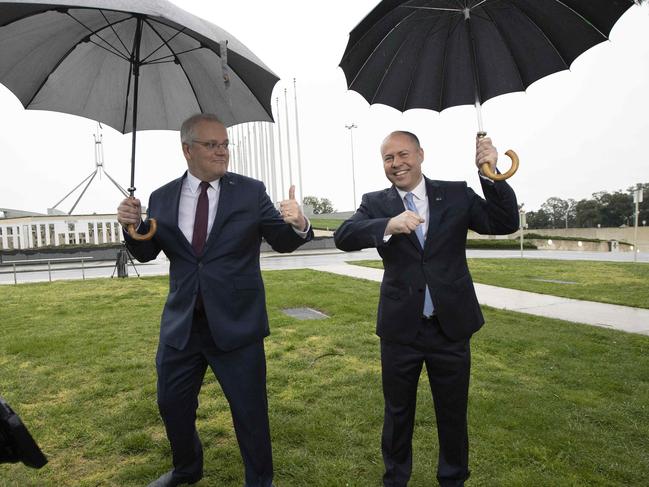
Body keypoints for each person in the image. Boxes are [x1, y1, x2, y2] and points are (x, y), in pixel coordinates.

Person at [117, 113, 313, 487]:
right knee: (171, 404)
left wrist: (298, 223)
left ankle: (260, 480)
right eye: (212, 145)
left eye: (224, 144)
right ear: (187, 149)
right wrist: (132, 227)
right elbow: (146, 253)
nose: (222, 152)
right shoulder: (162, 197)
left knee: (250, 411)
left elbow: (283, 241)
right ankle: (187, 469)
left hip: (237, 324)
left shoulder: (250, 191)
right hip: (183, 324)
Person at [334, 131, 519, 487]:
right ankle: (396, 478)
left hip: (450, 326)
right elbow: (344, 236)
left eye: (403, 154)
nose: (396, 163)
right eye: (388, 158)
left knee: (452, 412)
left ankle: (453, 478)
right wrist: (388, 224)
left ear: (420, 154)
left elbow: (503, 223)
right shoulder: (376, 202)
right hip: (401, 329)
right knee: (398, 413)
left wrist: (489, 172)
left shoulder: (454, 192)